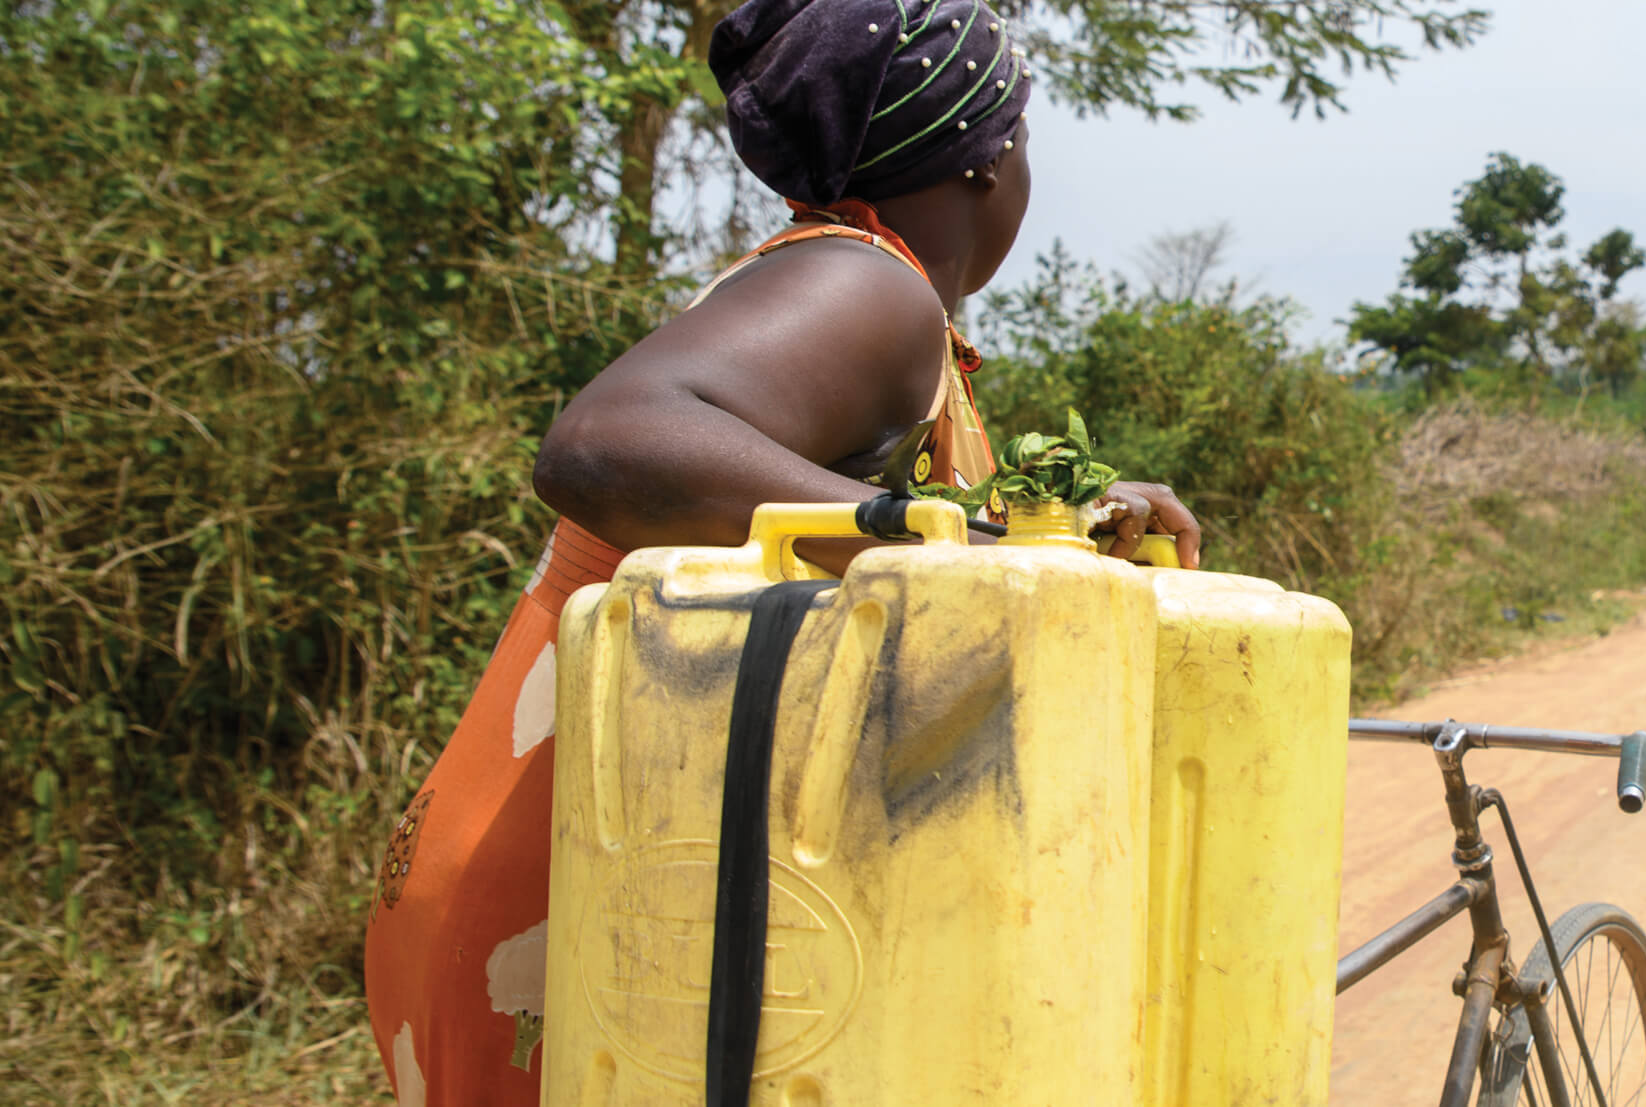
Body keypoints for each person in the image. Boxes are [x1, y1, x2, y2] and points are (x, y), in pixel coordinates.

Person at [361, 1, 1200, 1100]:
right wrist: (952, 540)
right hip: (560, 899)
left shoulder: (851, 284)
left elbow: (827, 532)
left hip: (573, 864)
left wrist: (1033, 527)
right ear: (992, 158)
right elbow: (598, 444)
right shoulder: (868, 285)